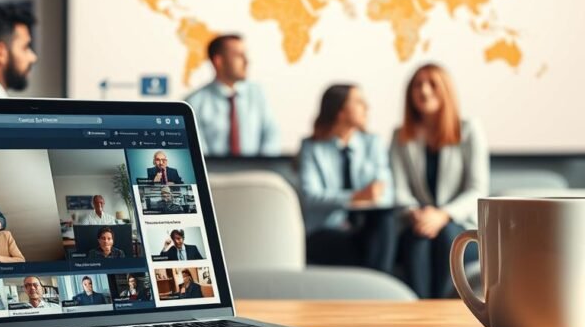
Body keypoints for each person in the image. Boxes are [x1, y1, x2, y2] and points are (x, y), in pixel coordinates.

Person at [391, 63, 489, 299]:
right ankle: (420, 316)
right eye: (417, 85)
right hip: (418, 221)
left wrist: (442, 215)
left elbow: (477, 189)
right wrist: (417, 213)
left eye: (432, 84)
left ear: (446, 90)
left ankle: (442, 311)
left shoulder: (469, 130)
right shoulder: (401, 135)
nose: (424, 91)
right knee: (419, 239)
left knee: (449, 237)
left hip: (459, 223)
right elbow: (399, 189)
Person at [298, 84, 395, 271]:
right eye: (358, 102)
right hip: (326, 230)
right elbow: (311, 196)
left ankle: (377, 293)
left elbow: (385, 193)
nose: (366, 107)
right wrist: (354, 197)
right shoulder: (312, 148)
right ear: (340, 111)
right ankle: (381, 293)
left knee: (385, 220)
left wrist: (368, 197)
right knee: (369, 250)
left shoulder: (373, 143)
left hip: (365, 227)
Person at [185, 34, 280, 156]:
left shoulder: (257, 94)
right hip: (214, 173)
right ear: (219, 61)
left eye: (245, 55)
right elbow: (198, 151)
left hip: (255, 171)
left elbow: (271, 134)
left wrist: (262, 165)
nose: (246, 61)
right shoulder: (194, 103)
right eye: (238, 56)